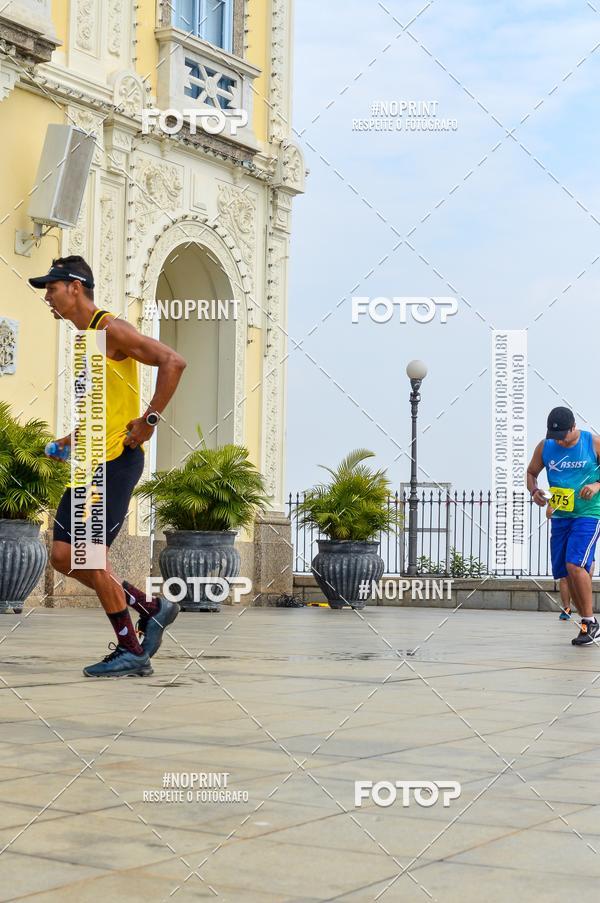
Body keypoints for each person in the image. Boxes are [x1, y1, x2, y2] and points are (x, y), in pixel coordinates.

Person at [29, 256, 186, 677]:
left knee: (90, 556)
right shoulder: (86, 339)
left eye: (52, 288)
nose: (48, 298)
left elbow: (173, 361)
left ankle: (130, 649)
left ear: (75, 287)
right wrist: (71, 439)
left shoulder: (109, 328)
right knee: (63, 555)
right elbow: (107, 406)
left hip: (115, 462)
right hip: (92, 461)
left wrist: (150, 420)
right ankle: (151, 608)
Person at [527, 407, 600, 646]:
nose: (559, 440)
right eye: (554, 435)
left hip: (589, 514)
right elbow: (531, 472)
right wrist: (535, 491)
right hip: (560, 516)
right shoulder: (545, 447)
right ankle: (586, 623)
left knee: (574, 563)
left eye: (562, 435)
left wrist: (597, 485)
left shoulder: (593, 442)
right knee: (566, 571)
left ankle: (590, 622)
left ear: (573, 427)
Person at [545, 504, 595, 619]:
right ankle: (568, 608)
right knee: (566, 573)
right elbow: (549, 513)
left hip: (585, 521)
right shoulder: (560, 488)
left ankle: (588, 618)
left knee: (582, 569)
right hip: (563, 522)